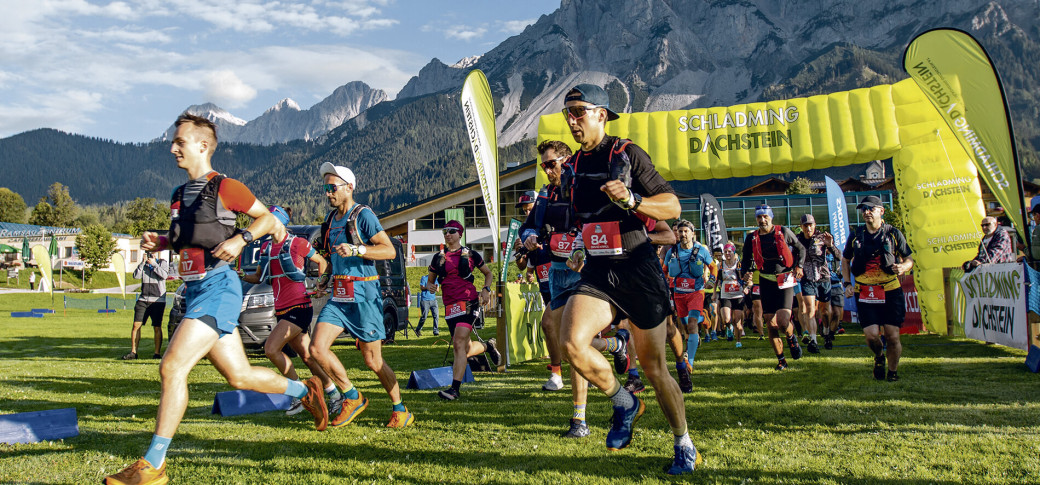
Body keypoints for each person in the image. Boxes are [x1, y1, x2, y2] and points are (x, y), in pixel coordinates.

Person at [105, 113, 324, 485]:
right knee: (239, 377)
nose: (173, 148)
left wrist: (242, 239)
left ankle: (153, 466)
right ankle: (306, 391)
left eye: (180, 142)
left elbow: (268, 220)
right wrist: (160, 241)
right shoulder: (178, 195)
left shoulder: (225, 187)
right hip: (194, 289)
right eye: (173, 143)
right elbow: (188, 238)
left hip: (219, 288)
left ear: (203, 146)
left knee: (171, 368)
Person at [558, 84, 699, 474]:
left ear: (602, 114)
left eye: (579, 111)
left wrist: (634, 201)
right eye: (568, 112)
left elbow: (671, 205)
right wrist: (578, 247)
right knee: (570, 342)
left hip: (638, 269)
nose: (572, 120)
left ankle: (683, 442)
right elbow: (586, 222)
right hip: (599, 271)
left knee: (654, 369)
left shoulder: (626, 153)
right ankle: (624, 402)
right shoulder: (570, 169)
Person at [520, 139, 629, 437]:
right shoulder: (546, 194)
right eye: (543, 165)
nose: (547, 170)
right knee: (559, 335)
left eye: (551, 164)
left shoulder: (584, 186)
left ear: (567, 160)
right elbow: (529, 225)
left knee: (573, 341)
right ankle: (615, 346)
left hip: (586, 271)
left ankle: (580, 420)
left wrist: (586, 249)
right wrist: (530, 236)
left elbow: (606, 219)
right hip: (558, 270)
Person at [307, 162, 414, 430]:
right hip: (340, 297)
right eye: (325, 188)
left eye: (332, 187)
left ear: (349, 187)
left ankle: (400, 409)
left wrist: (358, 250)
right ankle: (352, 396)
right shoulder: (330, 221)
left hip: (365, 296)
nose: (327, 193)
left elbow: (388, 251)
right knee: (316, 348)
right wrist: (324, 279)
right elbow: (332, 258)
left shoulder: (363, 215)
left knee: (372, 360)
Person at [240, 205, 335, 417]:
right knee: (308, 357)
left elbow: (322, 262)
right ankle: (334, 393)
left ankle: (300, 395)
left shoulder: (297, 243)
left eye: (268, 219)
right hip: (281, 310)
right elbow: (257, 277)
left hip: (299, 307)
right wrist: (240, 275)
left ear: (279, 222)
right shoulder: (265, 248)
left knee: (271, 349)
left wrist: (320, 284)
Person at [841, 195, 914, 381]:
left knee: (892, 335)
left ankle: (893, 372)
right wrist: (847, 283)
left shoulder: (893, 233)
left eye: (870, 209)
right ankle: (879, 357)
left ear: (881, 211)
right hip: (865, 291)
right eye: (863, 209)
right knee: (872, 336)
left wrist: (903, 267)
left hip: (890, 290)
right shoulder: (856, 234)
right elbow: (845, 260)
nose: (866, 212)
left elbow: (909, 259)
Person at [427, 220, 501, 401]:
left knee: (459, 343)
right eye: (445, 231)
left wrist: (486, 289)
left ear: (460, 234)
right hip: (449, 305)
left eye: (451, 231)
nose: (447, 234)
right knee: (464, 348)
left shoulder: (471, 254)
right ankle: (487, 346)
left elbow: (488, 273)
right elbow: (430, 281)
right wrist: (429, 287)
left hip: (468, 302)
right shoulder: (438, 257)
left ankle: (454, 389)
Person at [740, 204, 806, 371]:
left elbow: (801, 249)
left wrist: (800, 266)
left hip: (784, 278)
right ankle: (781, 360)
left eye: (765, 217)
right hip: (765, 280)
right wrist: (745, 273)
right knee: (770, 323)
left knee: (783, 322)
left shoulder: (783, 231)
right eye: (759, 217)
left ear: (771, 217)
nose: (762, 220)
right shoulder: (752, 238)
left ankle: (791, 338)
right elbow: (746, 259)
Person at [662, 220, 713, 385]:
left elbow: (713, 267)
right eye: (680, 232)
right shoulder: (672, 251)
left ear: (693, 233)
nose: (683, 234)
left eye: (686, 231)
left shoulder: (701, 251)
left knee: (691, 326)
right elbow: (664, 270)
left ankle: (689, 362)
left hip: (696, 293)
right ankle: (703, 317)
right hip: (679, 294)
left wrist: (711, 280)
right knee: (683, 325)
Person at [795, 214, 840, 354]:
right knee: (810, 309)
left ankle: (826, 333)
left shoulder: (823, 237)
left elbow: (839, 256)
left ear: (815, 225)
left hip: (823, 276)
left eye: (810, 225)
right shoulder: (797, 241)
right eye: (805, 225)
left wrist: (830, 245)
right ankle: (813, 340)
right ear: (801, 227)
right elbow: (792, 258)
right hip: (807, 277)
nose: (808, 228)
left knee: (825, 311)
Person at [123, 251, 170, 360]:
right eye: (148, 252)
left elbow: (164, 275)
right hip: (143, 299)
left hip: (158, 301)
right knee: (136, 325)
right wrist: (142, 263)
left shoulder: (162, 262)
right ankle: (133, 352)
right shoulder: (144, 264)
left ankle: (157, 353)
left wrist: (154, 264)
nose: (150, 254)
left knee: (157, 326)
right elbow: (136, 276)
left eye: (153, 252)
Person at [717, 242, 745, 349]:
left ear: (734, 252)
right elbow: (717, 279)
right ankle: (729, 328)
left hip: (738, 294)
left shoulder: (739, 264)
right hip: (725, 294)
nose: (727, 254)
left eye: (729, 251)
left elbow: (745, 278)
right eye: (725, 252)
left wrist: (746, 287)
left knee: (737, 321)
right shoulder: (720, 265)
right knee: (726, 319)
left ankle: (738, 341)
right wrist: (715, 292)